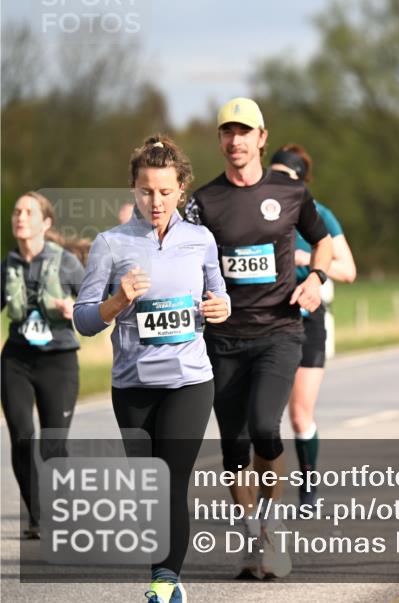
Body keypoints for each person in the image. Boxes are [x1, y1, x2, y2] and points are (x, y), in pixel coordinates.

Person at [74, 135, 231, 603]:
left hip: (189, 380)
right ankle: (164, 577)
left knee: (171, 480)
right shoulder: (110, 244)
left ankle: (165, 582)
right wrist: (117, 301)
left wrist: (221, 308)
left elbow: (219, 295)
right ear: (133, 190)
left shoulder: (200, 240)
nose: (156, 201)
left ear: (182, 188)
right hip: (134, 385)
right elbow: (84, 319)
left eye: (165, 191)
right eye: (146, 191)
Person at [184, 98, 333, 579]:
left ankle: (271, 529)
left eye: (244, 132)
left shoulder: (290, 192)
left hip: (278, 332)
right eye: (228, 132)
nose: (236, 141)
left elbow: (323, 240)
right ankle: (253, 534)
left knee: (265, 427)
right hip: (223, 339)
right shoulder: (203, 202)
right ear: (220, 140)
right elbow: (181, 258)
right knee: (233, 447)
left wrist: (317, 279)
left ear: (262, 138)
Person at [269, 144, 356, 509]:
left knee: (299, 412)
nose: (277, 183)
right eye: (272, 175)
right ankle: (263, 497)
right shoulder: (258, 210)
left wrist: (310, 260)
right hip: (266, 319)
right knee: (263, 418)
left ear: (301, 182)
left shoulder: (320, 214)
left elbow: (348, 271)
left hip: (308, 320)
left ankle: (308, 488)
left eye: (285, 177)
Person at [2, 191, 84, 540]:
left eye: (28, 212)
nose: (20, 217)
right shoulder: (8, 265)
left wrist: (74, 309)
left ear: (45, 222)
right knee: (22, 437)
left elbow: (96, 303)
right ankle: (37, 516)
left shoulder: (66, 263)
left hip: (59, 362)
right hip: (17, 360)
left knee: (53, 445)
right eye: (16, 212)